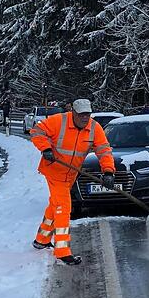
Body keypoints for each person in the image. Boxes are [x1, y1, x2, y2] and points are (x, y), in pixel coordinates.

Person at [29, 98, 115, 265]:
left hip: (71, 174)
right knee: (63, 207)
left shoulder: (94, 128)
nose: (85, 118)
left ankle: (42, 239)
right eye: (81, 115)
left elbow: (103, 150)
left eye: (87, 115)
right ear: (73, 113)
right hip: (54, 171)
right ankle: (62, 252)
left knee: (55, 205)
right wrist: (45, 148)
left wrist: (108, 171)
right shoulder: (59, 121)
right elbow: (36, 131)